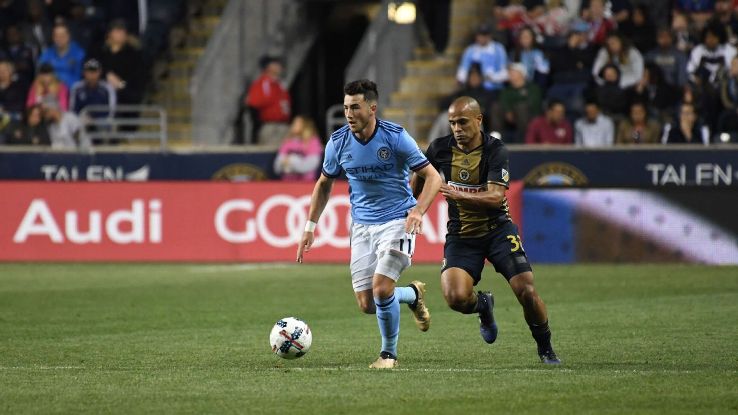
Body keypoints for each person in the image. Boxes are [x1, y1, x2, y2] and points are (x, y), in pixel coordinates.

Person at [296, 79, 442, 369]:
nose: (349, 114)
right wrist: (309, 227)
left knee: (381, 288)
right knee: (367, 304)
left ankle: (389, 355)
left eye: (355, 107)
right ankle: (412, 295)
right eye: (345, 108)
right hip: (362, 226)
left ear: (372, 108)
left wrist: (418, 211)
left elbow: (433, 177)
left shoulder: (395, 137)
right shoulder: (338, 142)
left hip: (398, 221)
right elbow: (324, 183)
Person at [414, 96, 560, 364]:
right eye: (452, 123)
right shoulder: (439, 149)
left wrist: (457, 193)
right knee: (455, 298)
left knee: (527, 291)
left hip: (498, 231)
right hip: (462, 235)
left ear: (478, 120)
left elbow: (495, 197)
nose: (457, 128)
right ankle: (483, 305)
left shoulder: (495, 150)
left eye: (462, 122)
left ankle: (545, 348)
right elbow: (420, 177)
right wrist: (411, 205)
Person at [245, 56, 292, 146]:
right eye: (275, 64)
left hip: (283, 125)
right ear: (268, 67)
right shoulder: (263, 83)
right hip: (270, 126)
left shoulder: (280, 84)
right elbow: (253, 102)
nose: (279, 67)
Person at [455, 24, 509, 95]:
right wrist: (461, 80)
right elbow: (463, 69)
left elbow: (505, 73)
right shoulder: (470, 50)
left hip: (495, 89)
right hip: (475, 89)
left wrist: (490, 78)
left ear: (490, 36)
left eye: (485, 35)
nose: (482, 38)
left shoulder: (498, 49)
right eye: (480, 35)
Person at [273, 115, 323, 181]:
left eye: (298, 124)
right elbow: (277, 167)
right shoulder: (288, 141)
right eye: (294, 123)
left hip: (306, 182)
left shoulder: (313, 141)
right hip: (286, 182)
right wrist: (284, 164)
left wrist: (292, 161)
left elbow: (312, 164)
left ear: (305, 126)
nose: (294, 125)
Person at [38, 22, 86, 88]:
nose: (59, 39)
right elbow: (41, 74)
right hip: (51, 89)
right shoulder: (47, 54)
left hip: (72, 89)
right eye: (56, 36)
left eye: (62, 35)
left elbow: (80, 78)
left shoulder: (79, 53)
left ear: (68, 36)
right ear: (53, 37)